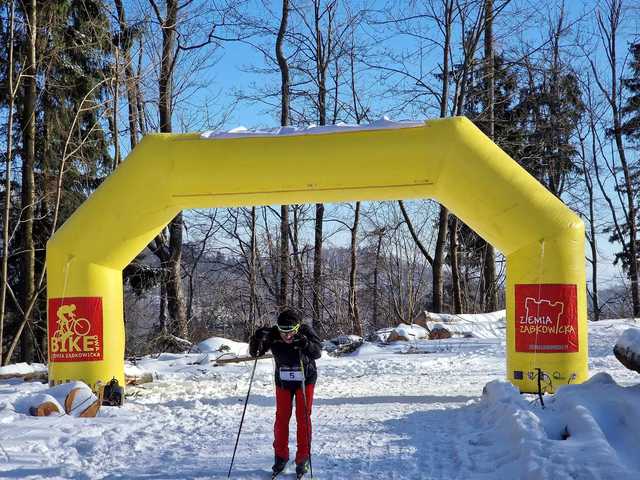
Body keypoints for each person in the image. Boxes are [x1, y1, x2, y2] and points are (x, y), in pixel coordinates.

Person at [249, 309, 322, 478]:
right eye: (283, 331)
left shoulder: (305, 331)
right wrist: (257, 339)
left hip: (305, 379)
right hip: (283, 381)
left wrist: (305, 344)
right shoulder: (273, 334)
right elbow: (256, 353)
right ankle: (280, 456)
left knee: (303, 417)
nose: (287, 336)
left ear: (297, 327)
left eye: (291, 331)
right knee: (282, 418)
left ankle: (303, 458)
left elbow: (317, 352)